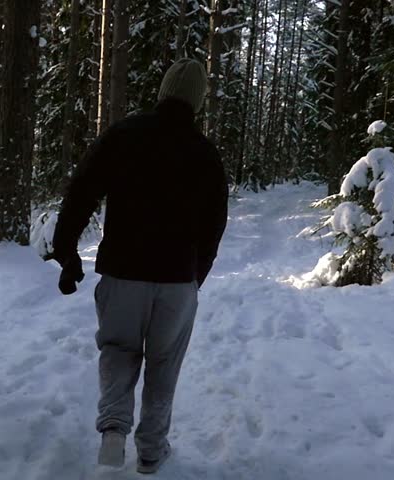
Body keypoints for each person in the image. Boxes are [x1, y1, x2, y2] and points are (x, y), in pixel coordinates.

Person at [51, 58, 228, 474]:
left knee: (118, 350)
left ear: (163, 92)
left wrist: (67, 251)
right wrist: (194, 275)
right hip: (177, 282)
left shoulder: (124, 135)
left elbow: (80, 193)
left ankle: (113, 430)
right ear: (197, 102)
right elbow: (215, 224)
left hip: (122, 274)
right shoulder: (205, 153)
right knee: (164, 362)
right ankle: (151, 449)